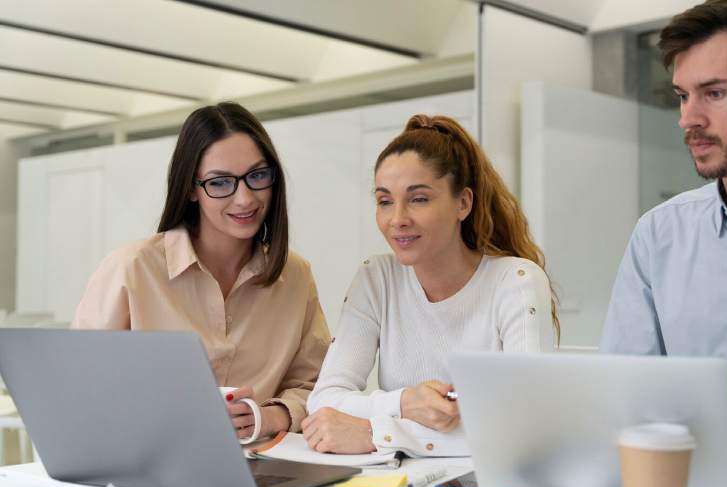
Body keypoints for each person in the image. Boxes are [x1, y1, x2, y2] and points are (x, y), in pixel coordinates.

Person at [600, 0, 727, 487]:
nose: (688, 119)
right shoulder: (657, 236)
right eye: (682, 96)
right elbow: (621, 402)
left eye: (713, 92)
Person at [302, 115, 558, 457]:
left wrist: (377, 434)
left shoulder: (516, 282)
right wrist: (406, 402)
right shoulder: (376, 279)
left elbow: (529, 425)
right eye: (384, 201)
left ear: (463, 203)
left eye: (419, 199)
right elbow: (324, 400)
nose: (397, 219)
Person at [71, 102, 331, 440]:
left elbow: (317, 384)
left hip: (260, 465)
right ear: (191, 188)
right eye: (220, 182)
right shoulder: (131, 269)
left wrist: (270, 416)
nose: (245, 198)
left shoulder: (295, 275)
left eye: (257, 176)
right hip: (147, 462)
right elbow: (77, 387)